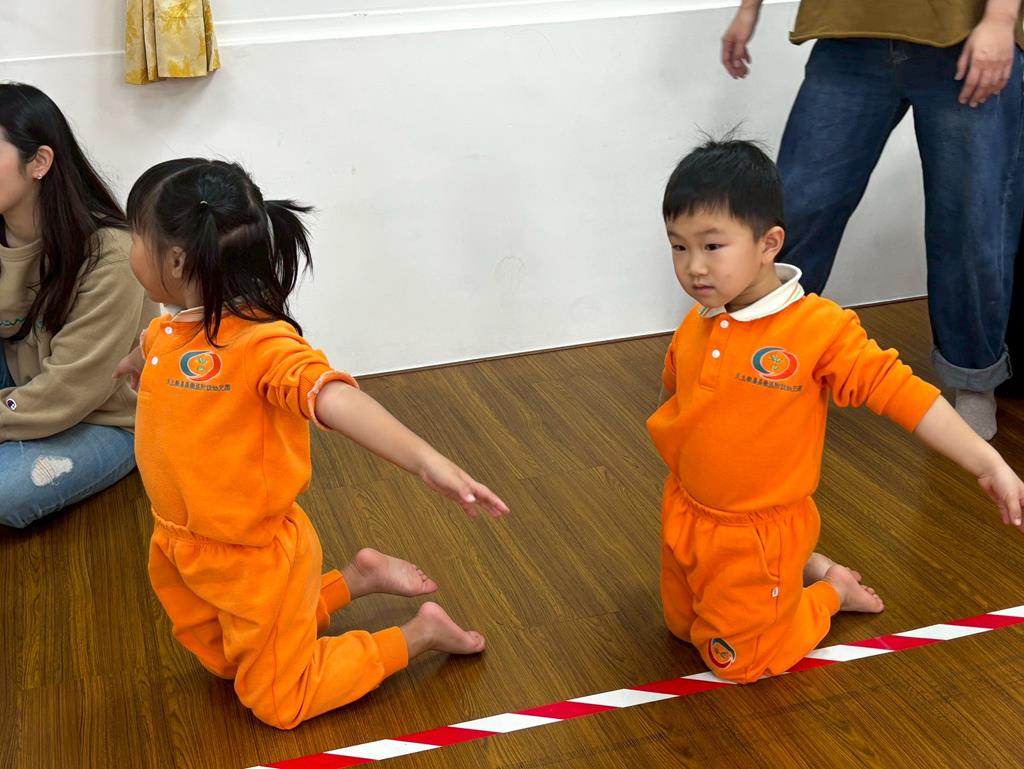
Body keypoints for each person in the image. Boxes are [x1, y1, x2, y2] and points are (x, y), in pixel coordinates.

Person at [113, 158, 509, 729]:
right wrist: (137, 359)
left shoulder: (261, 345)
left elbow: (333, 397)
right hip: (180, 543)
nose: (129, 251)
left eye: (135, 240)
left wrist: (427, 460)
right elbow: (156, 343)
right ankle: (358, 576)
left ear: (175, 261)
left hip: (252, 556)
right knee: (224, 661)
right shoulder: (173, 327)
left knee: (279, 700)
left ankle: (419, 634)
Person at [648, 139, 1024, 683]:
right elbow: (676, 394)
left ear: (768, 244)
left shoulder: (819, 329)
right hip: (687, 513)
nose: (693, 267)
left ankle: (829, 592)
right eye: (678, 247)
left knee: (738, 663)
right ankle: (800, 568)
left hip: (758, 534)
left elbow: (905, 395)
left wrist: (988, 463)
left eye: (711, 246)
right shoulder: (700, 319)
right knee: (683, 628)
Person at [719, 0, 1024, 439]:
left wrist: (1000, 19)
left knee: (970, 226)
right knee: (799, 208)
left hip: (964, 32)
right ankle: (760, 358)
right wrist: (750, 8)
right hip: (850, 28)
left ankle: (973, 378)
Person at [0, 82, 156, 528]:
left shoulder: (111, 255)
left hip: (100, 413)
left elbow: (70, 390)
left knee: (6, 494)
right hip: (21, 377)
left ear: (39, 162)